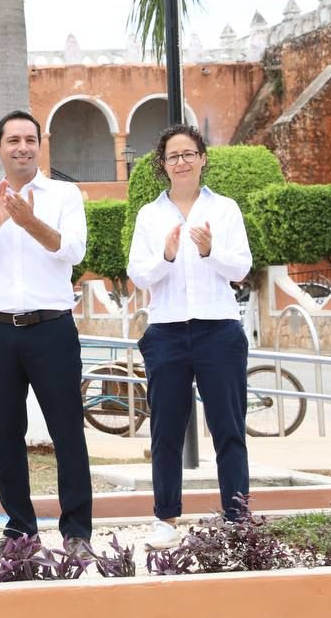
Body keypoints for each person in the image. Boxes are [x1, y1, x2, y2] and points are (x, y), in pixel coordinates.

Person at [0, 109, 93, 558]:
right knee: (6, 433)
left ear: (39, 145)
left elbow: (71, 250)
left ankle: (77, 534)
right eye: (13, 140)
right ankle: (20, 534)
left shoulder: (64, 194)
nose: (23, 147)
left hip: (51, 329)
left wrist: (28, 220)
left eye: (30, 139)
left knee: (67, 431)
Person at [127, 123, 253, 550]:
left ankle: (237, 517)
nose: (180, 162)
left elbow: (240, 268)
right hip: (166, 331)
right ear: (162, 166)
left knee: (228, 428)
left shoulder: (226, 210)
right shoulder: (149, 215)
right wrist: (166, 254)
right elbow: (138, 273)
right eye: (172, 156)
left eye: (188, 154)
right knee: (165, 430)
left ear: (202, 158)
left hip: (219, 329)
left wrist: (208, 250)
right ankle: (165, 517)